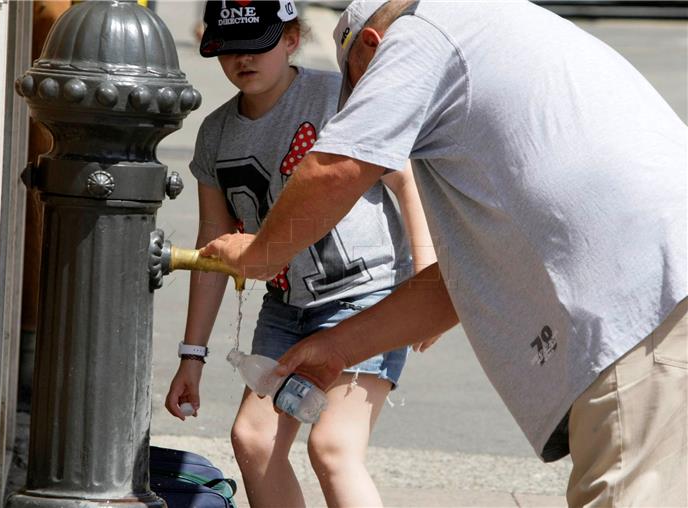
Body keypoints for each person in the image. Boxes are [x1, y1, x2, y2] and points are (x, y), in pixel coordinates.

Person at [201, 1, 688, 506]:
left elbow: (336, 168)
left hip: (644, 303)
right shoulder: (481, 46)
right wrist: (340, 348)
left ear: (370, 48)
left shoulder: (417, 33)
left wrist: (260, 253)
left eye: (363, 93)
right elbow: (458, 285)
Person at [163, 1, 436, 506]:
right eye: (229, 46)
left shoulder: (336, 94)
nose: (243, 58)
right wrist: (191, 356)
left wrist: (426, 274)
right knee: (253, 439)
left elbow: (406, 179)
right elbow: (213, 250)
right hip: (286, 309)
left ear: (292, 39)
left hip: (367, 296)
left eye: (258, 42)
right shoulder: (215, 135)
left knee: (333, 447)